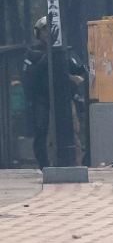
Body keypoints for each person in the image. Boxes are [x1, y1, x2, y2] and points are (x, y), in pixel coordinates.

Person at [22, 16, 84, 170]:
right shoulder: (31, 53)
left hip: (63, 99)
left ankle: (74, 163)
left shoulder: (63, 51)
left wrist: (92, 65)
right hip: (41, 99)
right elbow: (31, 76)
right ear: (38, 33)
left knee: (71, 131)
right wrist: (48, 54)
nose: (48, 32)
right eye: (45, 30)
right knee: (41, 132)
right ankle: (45, 166)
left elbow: (78, 68)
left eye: (51, 29)